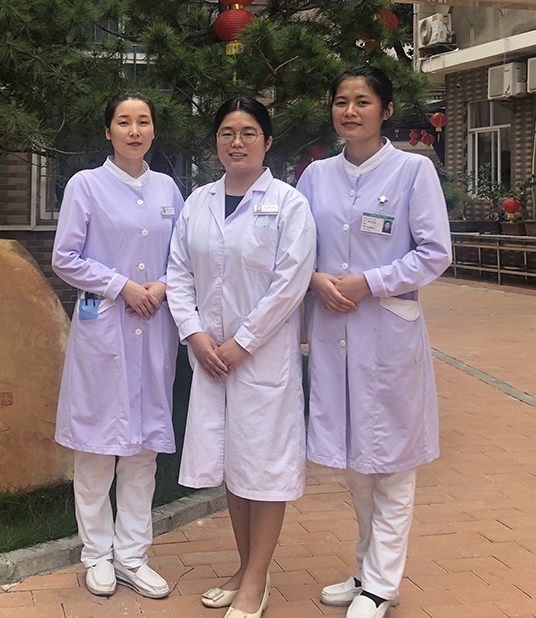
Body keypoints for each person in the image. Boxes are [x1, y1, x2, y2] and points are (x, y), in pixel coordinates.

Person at [297, 66, 453, 618]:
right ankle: (367, 570)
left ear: (386, 111)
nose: (350, 111)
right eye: (341, 101)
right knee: (355, 463)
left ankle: (381, 585)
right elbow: (294, 250)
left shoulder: (413, 171)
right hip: (333, 332)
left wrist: (371, 281)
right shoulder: (315, 177)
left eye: (363, 101)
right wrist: (314, 279)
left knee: (393, 461)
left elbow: (435, 253)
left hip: (387, 332)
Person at [166, 98, 316, 618]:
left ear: (267, 142)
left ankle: (256, 580)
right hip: (209, 356)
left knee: (264, 467)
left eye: (249, 132)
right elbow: (178, 272)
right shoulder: (198, 202)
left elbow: (290, 284)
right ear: (216, 143)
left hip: (262, 358)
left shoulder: (290, 204)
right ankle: (246, 565)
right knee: (233, 462)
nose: (237, 142)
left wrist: (242, 342)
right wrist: (194, 334)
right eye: (227, 133)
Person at [51, 92, 185, 600]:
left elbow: (183, 255)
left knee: (144, 448)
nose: (134, 130)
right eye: (124, 122)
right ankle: (96, 554)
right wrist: (122, 286)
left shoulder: (168, 188)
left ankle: (132, 555)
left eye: (143, 121)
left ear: (153, 130)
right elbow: (66, 257)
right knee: (96, 447)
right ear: (108, 131)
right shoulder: (86, 185)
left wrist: (163, 287)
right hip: (105, 327)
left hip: (154, 327)